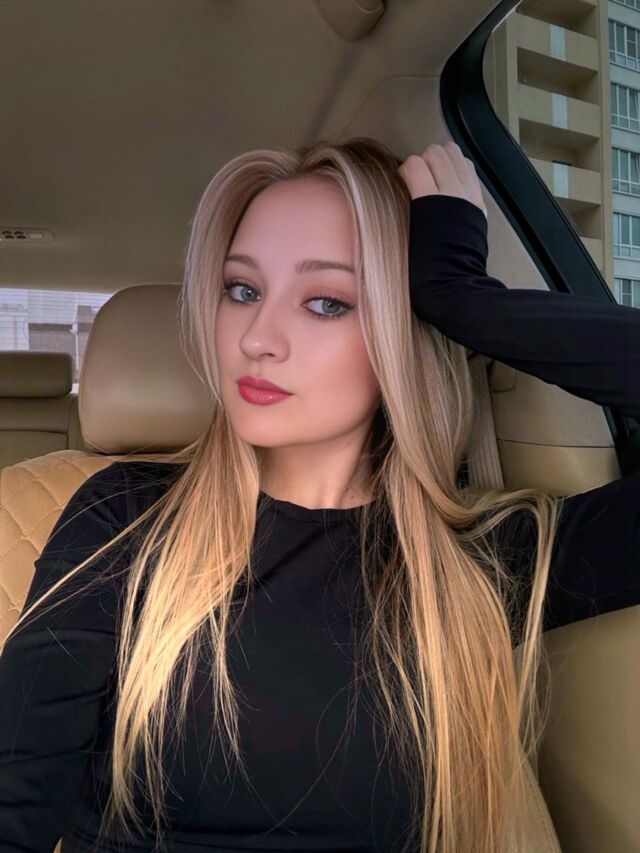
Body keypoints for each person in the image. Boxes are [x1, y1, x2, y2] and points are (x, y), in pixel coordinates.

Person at [0, 138, 638, 853]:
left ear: (402, 330)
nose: (258, 338)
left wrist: (465, 302)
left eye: (327, 302)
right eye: (242, 290)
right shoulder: (125, 516)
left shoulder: (478, 561)